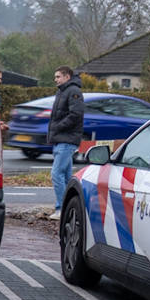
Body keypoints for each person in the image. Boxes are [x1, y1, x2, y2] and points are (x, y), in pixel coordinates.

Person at [48, 66, 85, 213]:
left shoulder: (73, 91)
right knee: (67, 177)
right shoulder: (62, 91)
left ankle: (62, 209)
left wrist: (58, 127)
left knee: (56, 175)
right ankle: (72, 208)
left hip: (66, 140)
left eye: (58, 77)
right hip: (61, 139)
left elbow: (76, 114)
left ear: (67, 77)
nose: (55, 80)